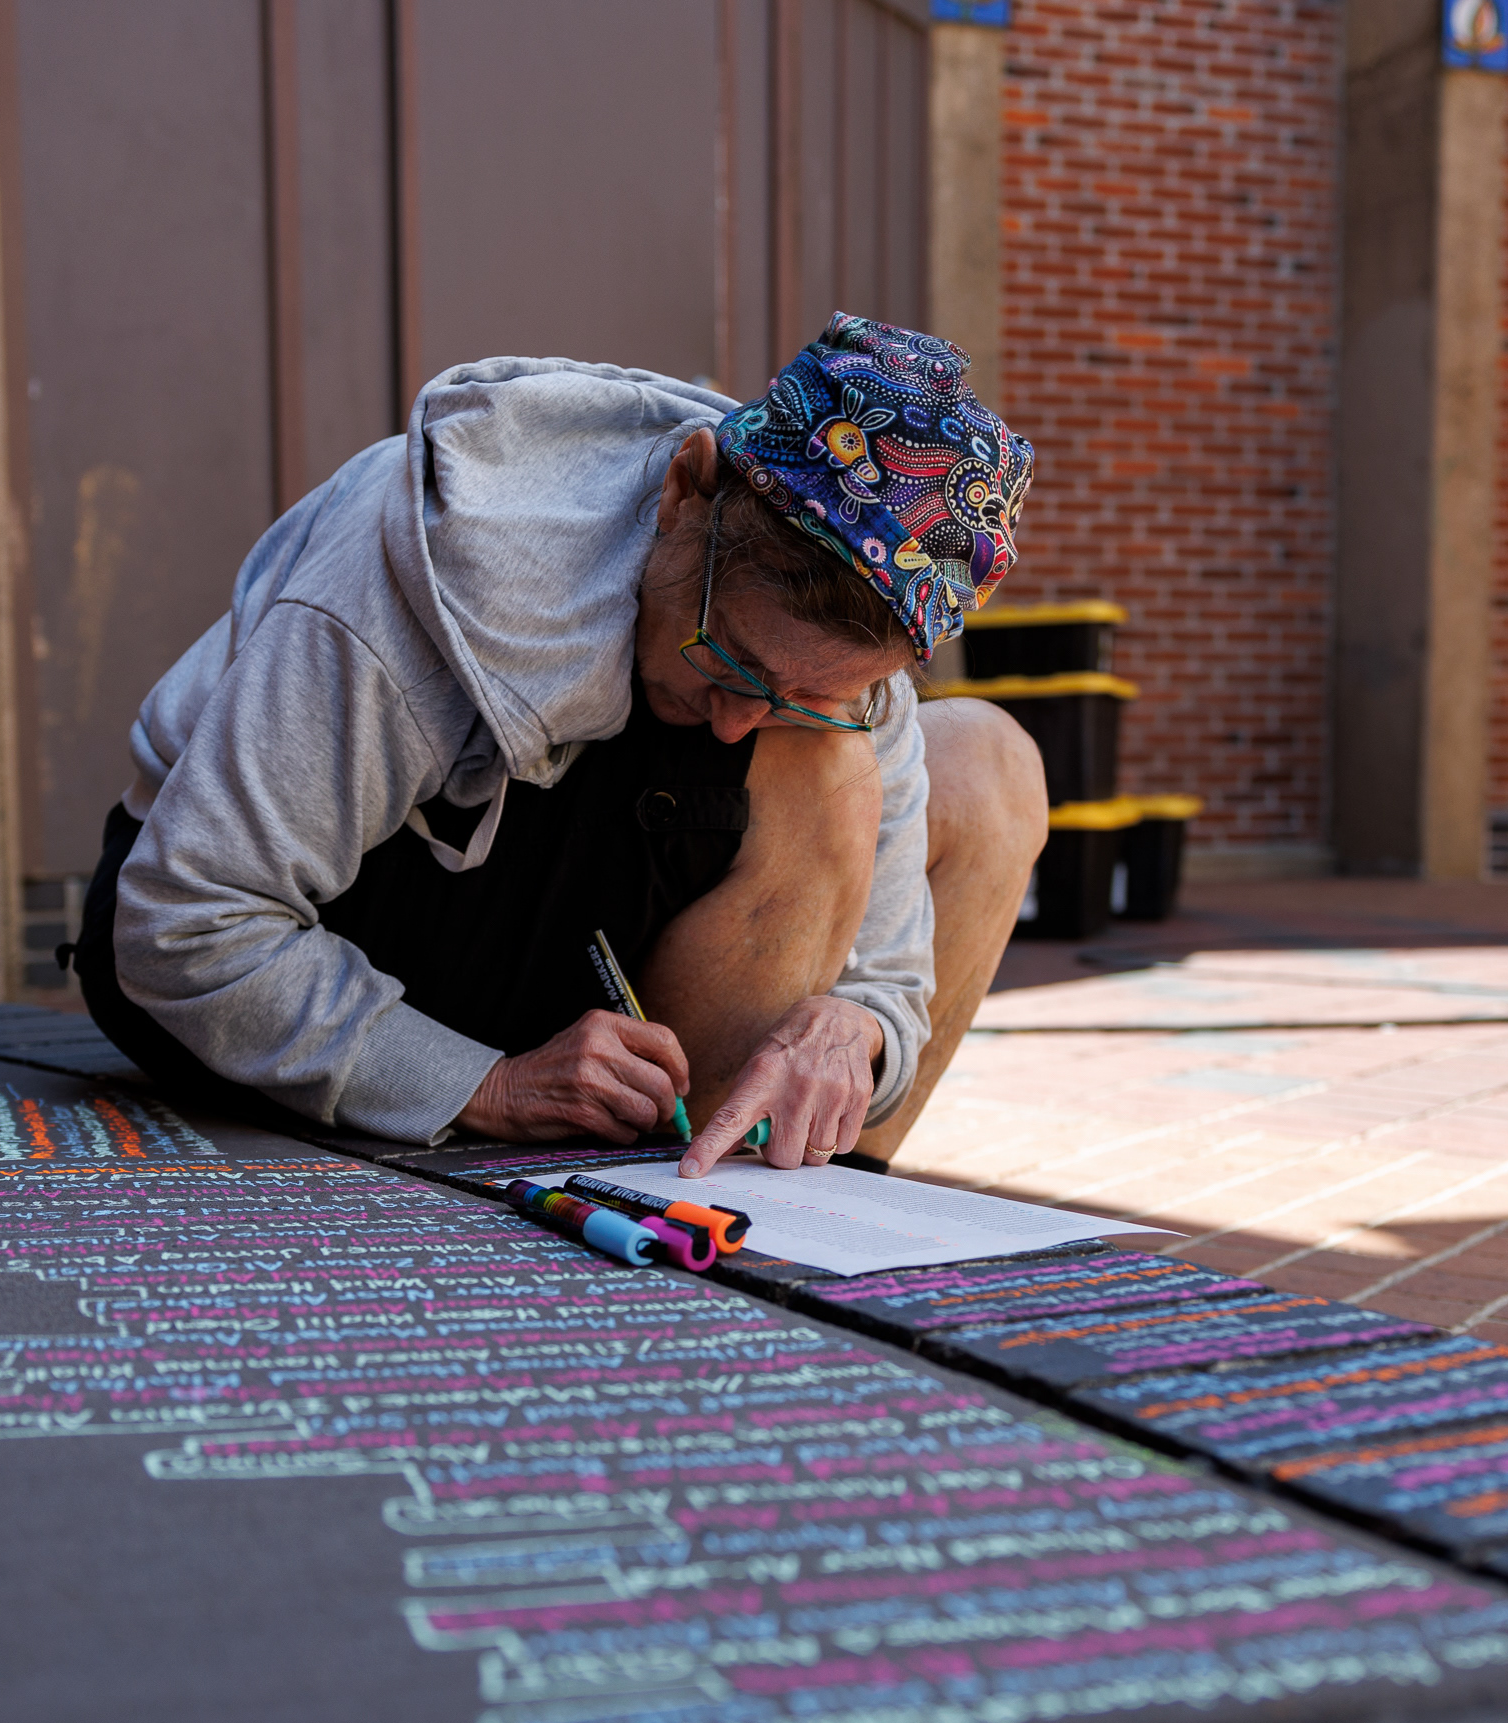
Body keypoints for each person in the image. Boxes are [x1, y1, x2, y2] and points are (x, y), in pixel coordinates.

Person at [72, 313, 1045, 1179]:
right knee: (814, 756)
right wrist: (485, 1086)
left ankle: (805, 1220)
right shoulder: (434, 559)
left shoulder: (849, 636)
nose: (743, 721)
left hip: (575, 956)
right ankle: (646, 1165)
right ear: (683, 490)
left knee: (982, 761)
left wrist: (855, 1030)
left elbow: (883, 973)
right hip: (313, 929)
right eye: (727, 663)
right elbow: (185, 922)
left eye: (807, 693)